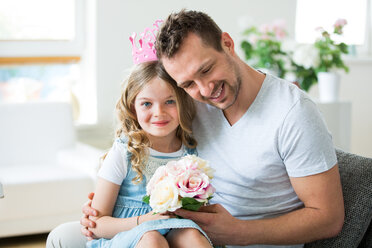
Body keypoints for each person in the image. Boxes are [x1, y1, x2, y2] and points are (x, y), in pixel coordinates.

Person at [54, 9, 345, 248]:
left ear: (227, 44)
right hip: (178, 229)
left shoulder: (292, 114)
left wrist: (239, 232)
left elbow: (329, 218)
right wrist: (107, 201)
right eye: (188, 84)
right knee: (62, 236)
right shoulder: (190, 106)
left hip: (235, 239)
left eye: (206, 70)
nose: (206, 90)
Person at [47, 23, 213, 248]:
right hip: (128, 236)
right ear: (132, 107)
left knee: (193, 238)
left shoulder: (190, 150)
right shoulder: (124, 152)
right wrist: (143, 222)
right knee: (152, 239)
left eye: (170, 101)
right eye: (147, 103)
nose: (159, 113)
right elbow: (96, 225)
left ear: (183, 102)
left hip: (176, 230)